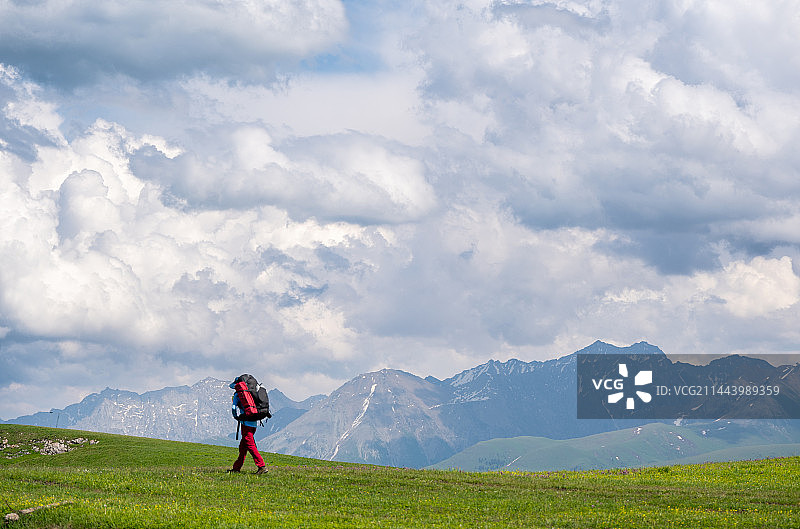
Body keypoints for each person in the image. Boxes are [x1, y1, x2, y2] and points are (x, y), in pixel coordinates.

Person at [228, 380, 267, 475]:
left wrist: (236, 416)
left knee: (250, 445)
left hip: (246, 424)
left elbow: (234, 408)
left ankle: (262, 466)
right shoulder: (252, 393)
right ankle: (236, 468)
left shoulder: (238, 395)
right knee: (243, 447)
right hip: (254, 423)